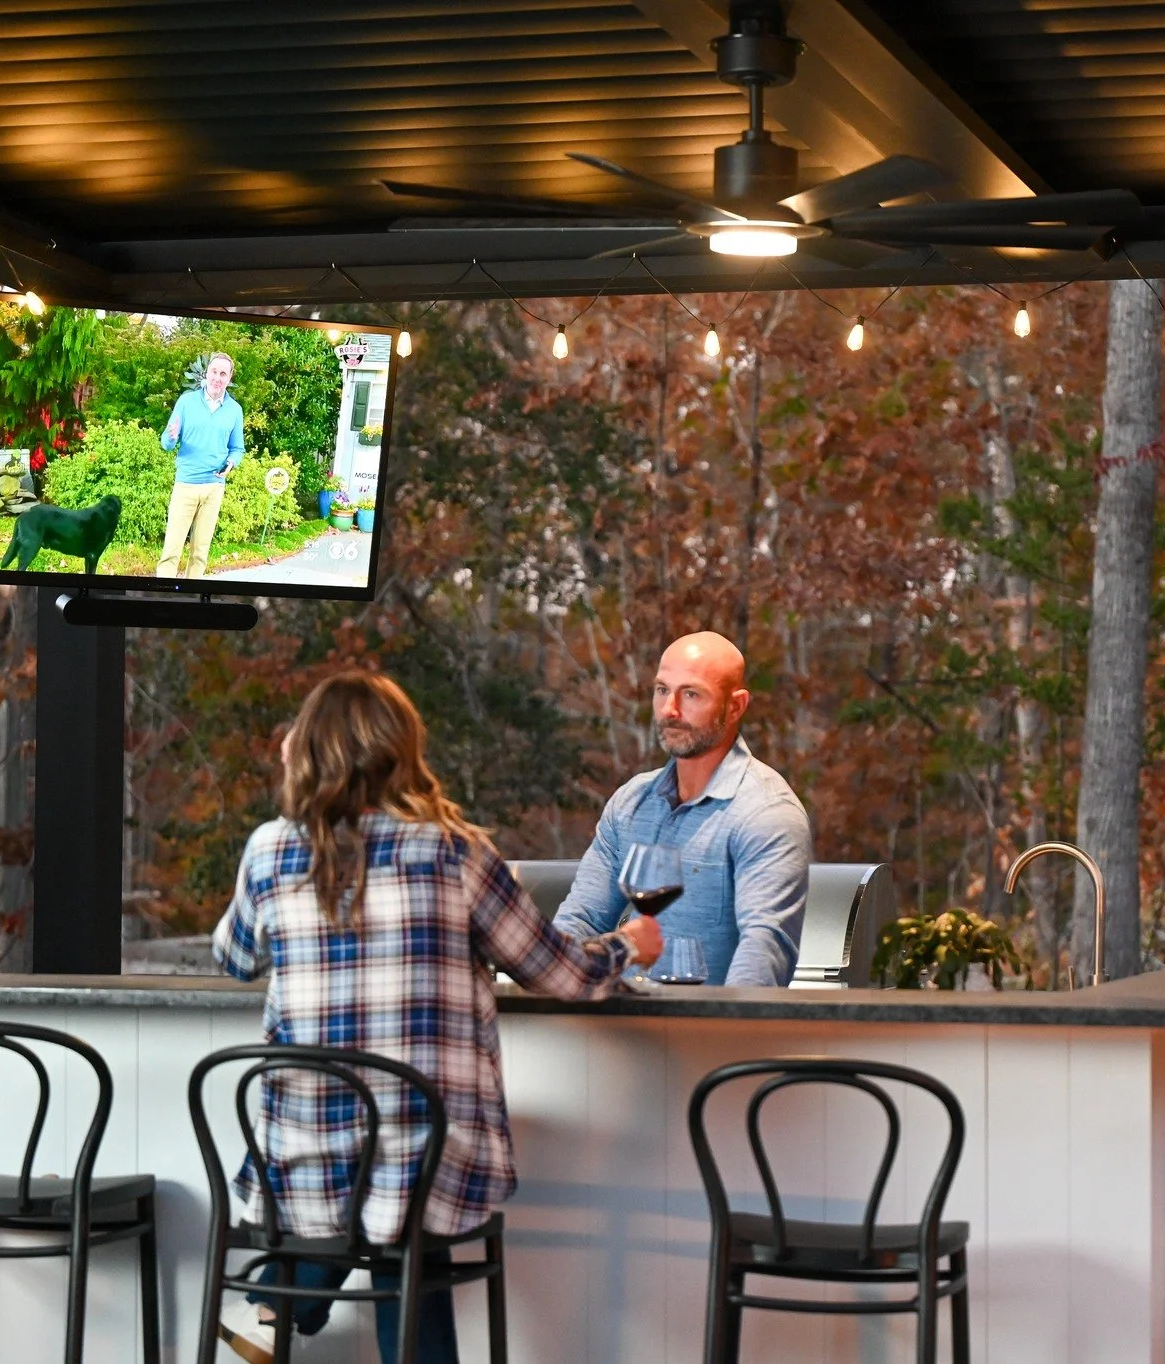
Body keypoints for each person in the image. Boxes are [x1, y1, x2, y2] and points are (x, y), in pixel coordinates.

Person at [211, 670, 662, 1364]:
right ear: (404, 749)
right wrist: (628, 945)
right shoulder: (454, 850)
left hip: (303, 1157)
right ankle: (282, 1302)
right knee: (407, 1188)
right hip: (427, 1159)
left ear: (306, 749)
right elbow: (559, 974)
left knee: (378, 1182)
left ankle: (279, 1303)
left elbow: (235, 957)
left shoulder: (271, 848)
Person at [553, 631, 812, 987]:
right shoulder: (631, 803)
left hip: (710, 1035)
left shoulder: (767, 813)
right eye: (662, 690)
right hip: (617, 1030)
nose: (669, 710)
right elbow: (580, 921)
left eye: (691, 694)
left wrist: (715, 1035)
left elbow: (764, 953)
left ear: (735, 706)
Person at [157, 350, 244, 578]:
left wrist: (232, 463)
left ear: (229, 378)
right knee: (171, 550)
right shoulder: (186, 402)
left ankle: (191, 600)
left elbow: (237, 448)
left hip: (214, 487)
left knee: (200, 553)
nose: (217, 377)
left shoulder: (235, 411)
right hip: (186, 484)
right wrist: (172, 436)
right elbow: (166, 443)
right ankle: (162, 597)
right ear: (206, 374)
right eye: (214, 372)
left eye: (223, 374)